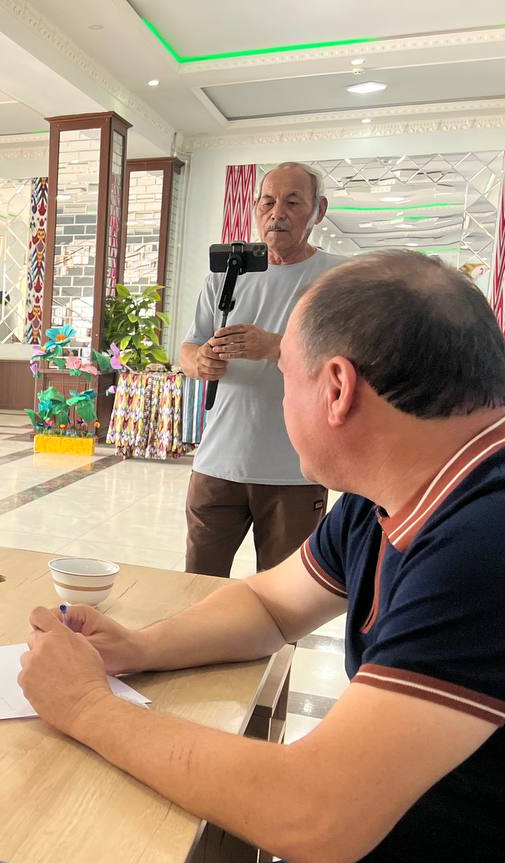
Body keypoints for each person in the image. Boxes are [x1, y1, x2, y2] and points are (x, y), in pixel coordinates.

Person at [19, 250, 505, 863]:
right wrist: (137, 647)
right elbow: (271, 604)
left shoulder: (502, 535)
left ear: (336, 388)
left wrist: (85, 707)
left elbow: (315, 813)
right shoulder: (404, 486)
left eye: (285, 375)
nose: (281, 400)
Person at [179, 161, 344, 577]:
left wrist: (274, 347)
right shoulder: (225, 274)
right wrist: (199, 362)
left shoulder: (338, 278)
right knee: (198, 585)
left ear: (319, 210)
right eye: (267, 202)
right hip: (216, 464)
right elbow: (189, 347)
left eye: (293, 203)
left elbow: (352, 362)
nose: (277, 214)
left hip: (295, 472)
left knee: (283, 594)